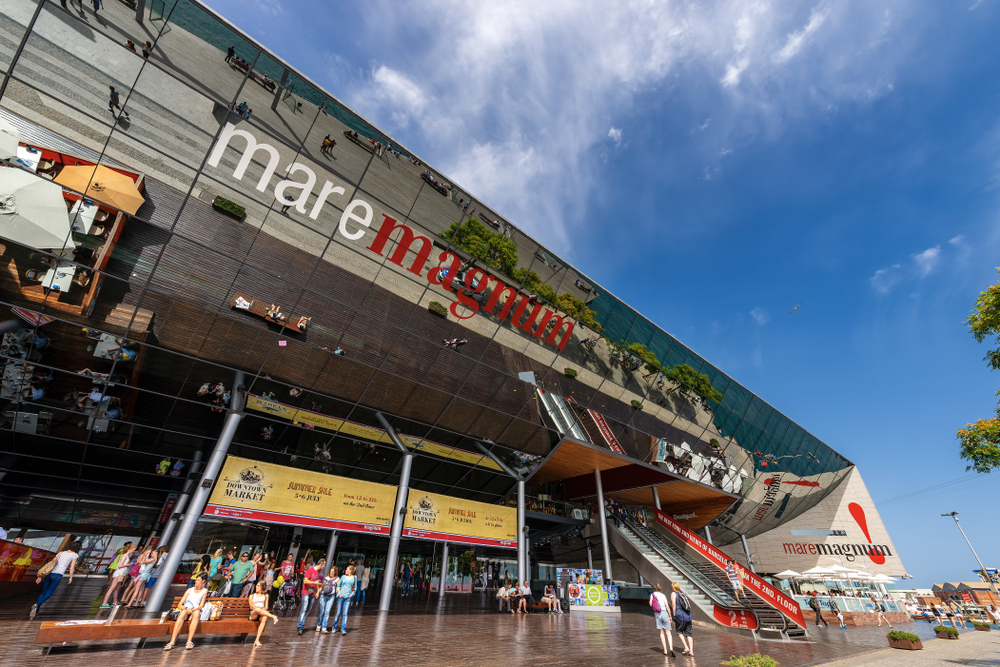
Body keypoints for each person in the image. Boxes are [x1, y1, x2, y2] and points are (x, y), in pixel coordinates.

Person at [30, 541, 80, 619]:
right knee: (49, 593)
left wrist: (40, 576)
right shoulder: (75, 555)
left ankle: (35, 613)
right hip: (58, 575)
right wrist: (70, 577)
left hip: (50, 574)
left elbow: (50, 564)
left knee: (43, 593)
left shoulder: (60, 553)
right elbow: (71, 567)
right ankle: (36, 605)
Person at [164, 574, 209, 651]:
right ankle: (172, 641)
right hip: (185, 610)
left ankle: (189, 641)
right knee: (183, 613)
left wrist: (192, 610)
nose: (196, 581)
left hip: (194, 611)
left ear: (203, 581)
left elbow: (201, 605)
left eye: (198, 580)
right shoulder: (189, 590)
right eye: (196, 580)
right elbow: (179, 605)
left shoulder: (204, 591)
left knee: (197, 612)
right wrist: (186, 609)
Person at [296, 557, 324, 635]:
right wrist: (314, 583)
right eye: (323, 565)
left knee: (308, 609)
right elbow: (305, 581)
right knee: (304, 609)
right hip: (306, 591)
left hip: (313, 592)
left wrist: (317, 592)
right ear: (321, 564)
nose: (323, 567)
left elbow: (317, 582)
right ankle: (300, 627)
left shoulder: (318, 572)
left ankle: (301, 623)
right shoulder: (310, 570)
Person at [249, 581, 279, 646]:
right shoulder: (252, 596)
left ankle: (257, 640)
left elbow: (266, 606)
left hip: (261, 613)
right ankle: (273, 616)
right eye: (256, 585)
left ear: (262, 587)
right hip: (253, 614)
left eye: (258, 586)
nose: (256, 587)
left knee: (265, 618)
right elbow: (251, 604)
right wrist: (256, 607)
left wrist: (263, 609)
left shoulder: (265, 595)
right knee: (257, 609)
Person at [329, 565, 357, 635]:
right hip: (341, 596)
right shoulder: (343, 577)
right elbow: (338, 586)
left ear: (350, 571)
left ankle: (343, 629)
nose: (346, 571)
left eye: (347, 569)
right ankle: (334, 627)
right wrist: (339, 593)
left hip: (348, 598)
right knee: (338, 612)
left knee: (345, 613)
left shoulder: (354, 577)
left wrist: (352, 594)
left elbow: (355, 587)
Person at [649, 583, 675, 657]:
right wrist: (670, 616)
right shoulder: (663, 595)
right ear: (660, 588)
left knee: (661, 632)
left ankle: (665, 650)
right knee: (668, 632)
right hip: (664, 613)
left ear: (655, 588)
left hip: (657, 614)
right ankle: (671, 648)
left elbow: (650, 604)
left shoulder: (653, 595)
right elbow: (667, 606)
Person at [671, 582, 693, 657]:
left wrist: (674, 615)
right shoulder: (682, 594)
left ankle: (686, 648)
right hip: (688, 616)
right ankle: (691, 651)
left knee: (679, 632)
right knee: (689, 634)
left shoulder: (673, 594)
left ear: (673, 587)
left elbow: (674, 604)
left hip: (680, 616)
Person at [316, 566, 339, 633]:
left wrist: (339, 592)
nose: (331, 573)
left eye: (332, 572)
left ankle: (324, 627)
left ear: (335, 572)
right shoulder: (326, 578)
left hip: (331, 596)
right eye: (330, 571)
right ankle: (319, 625)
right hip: (323, 596)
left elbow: (338, 587)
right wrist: (318, 592)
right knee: (322, 611)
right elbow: (322, 587)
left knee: (327, 612)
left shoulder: (337, 579)